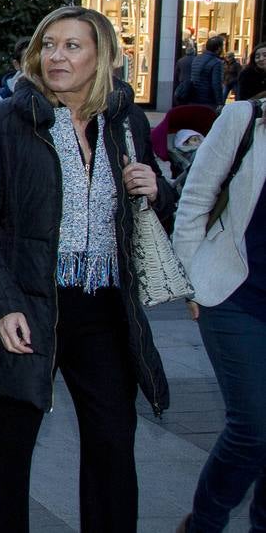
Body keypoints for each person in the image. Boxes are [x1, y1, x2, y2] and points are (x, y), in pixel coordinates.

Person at [0, 5, 173, 533]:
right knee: (10, 447)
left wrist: (156, 189)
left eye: (72, 46)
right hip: (27, 301)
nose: (56, 55)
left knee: (113, 443)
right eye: (49, 44)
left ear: (103, 58)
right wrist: (1, 304)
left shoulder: (125, 120)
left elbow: (151, 213)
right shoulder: (6, 121)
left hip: (103, 305)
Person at [173, 96, 266, 533]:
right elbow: (195, 198)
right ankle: (204, 524)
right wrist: (190, 277)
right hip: (236, 292)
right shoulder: (245, 118)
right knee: (254, 427)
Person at [179, 35, 228, 109]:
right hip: (208, 100)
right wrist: (220, 103)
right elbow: (216, 84)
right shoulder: (217, 62)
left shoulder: (197, 59)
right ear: (219, 49)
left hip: (194, 98)